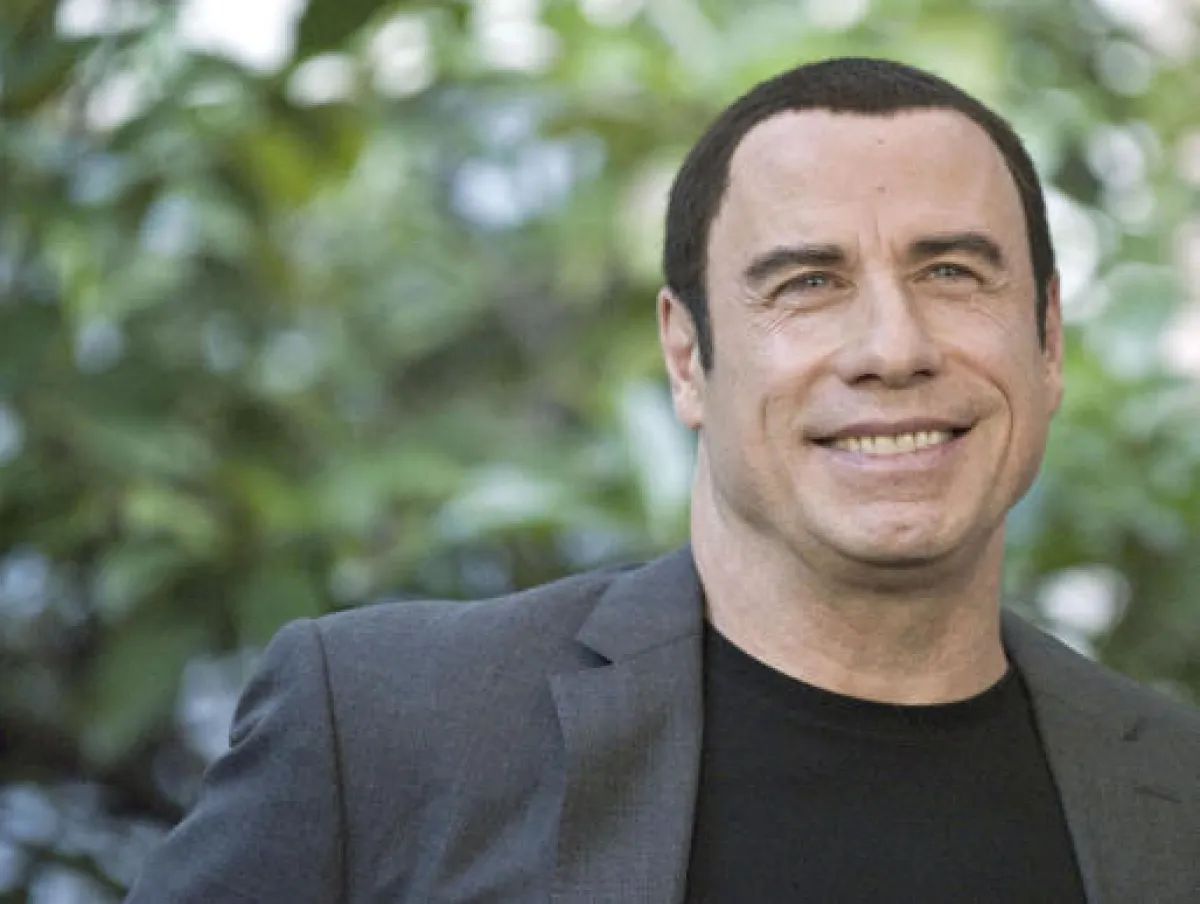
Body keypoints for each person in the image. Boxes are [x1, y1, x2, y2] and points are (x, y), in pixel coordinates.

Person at [126, 57, 1200, 903]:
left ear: (1048, 340)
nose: (893, 347)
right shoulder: (383, 729)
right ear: (687, 358)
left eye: (953, 272)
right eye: (809, 282)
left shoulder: (1178, 794)